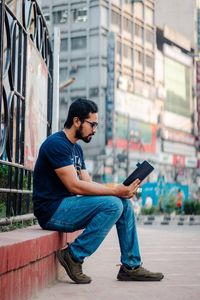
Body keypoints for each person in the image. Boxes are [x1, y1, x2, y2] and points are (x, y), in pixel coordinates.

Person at [33, 98, 164, 284]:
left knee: (124, 204)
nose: (95, 129)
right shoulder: (56, 144)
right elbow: (75, 186)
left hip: (67, 208)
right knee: (113, 205)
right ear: (77, 121)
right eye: (92, 124)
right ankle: (74, 256)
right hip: (51, 211)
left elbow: (87, 183)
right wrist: (115, 192)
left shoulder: (76, 149)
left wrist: (120, 188)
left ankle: (131, 266)